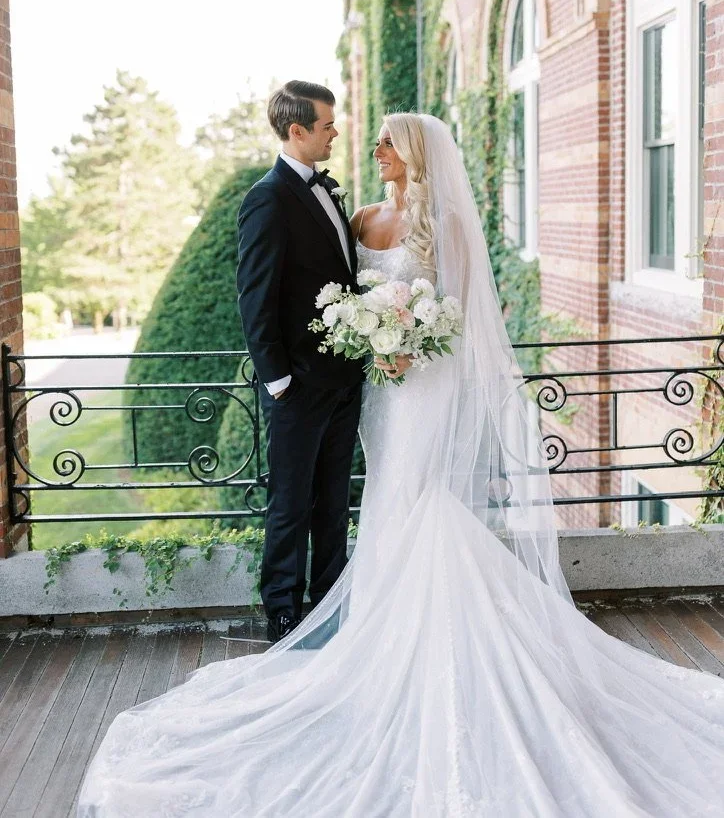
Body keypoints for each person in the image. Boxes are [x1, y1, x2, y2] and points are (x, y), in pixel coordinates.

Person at [78, 113, 724, 817]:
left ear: (413, 154)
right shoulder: (358, 214)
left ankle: (430, 647)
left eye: (387, 141)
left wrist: (418, 341)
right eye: (374, 140)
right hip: (378, 390)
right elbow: (332, 291)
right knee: (386, 500)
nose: (374, 149)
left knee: (423, 503)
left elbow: (465, 310)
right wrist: (366, 338)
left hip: (424, 383)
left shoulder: (442, 223)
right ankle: (374, 642)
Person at [235, 79, 364, 643]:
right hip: (297, 385)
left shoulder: (330, 190)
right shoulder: (267, 197)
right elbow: (255, 295)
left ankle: (329, 597)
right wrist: (278, 380)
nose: (335, 132)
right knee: (289, 503)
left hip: (342, 380)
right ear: (297, 130)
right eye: (327, 124)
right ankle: (283, 611)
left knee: (333, 500)